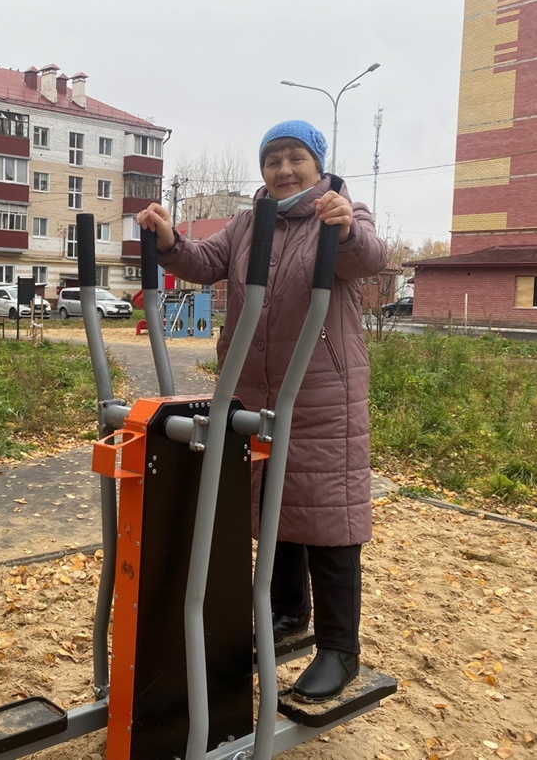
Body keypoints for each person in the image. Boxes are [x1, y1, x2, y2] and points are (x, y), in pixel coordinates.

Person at [135, 120, 387, 702]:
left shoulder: (343, 208)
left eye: (296, 157)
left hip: (321, 386)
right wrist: (171, 240)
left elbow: (369, 258)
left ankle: (339, 650)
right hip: (253, 386)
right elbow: (204, 261)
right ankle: (286, 613)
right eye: (273, 160)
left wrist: (345, 231)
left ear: (318, 164)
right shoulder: (249, 222)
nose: (284, 169)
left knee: (327, 513)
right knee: (272, 502)